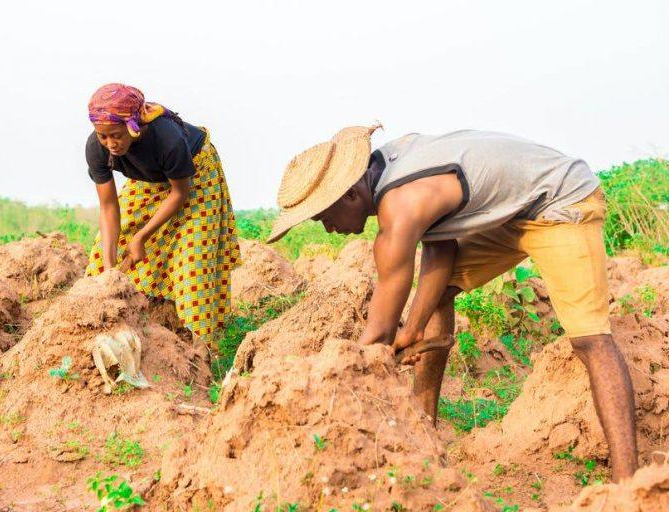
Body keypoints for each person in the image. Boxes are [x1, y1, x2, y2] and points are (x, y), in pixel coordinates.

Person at [268, 126, 637, 481]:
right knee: (437, 294)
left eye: (324, 217)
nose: (328, 228)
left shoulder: (402, 204)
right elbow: (441, 245)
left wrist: (338, 384)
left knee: (591, 340)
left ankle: (628, 485)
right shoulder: (390, 165)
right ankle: (425, 434)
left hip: (560, 201)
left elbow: (378, 334)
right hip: (513, 211)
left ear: (350, 195)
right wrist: (414, 329)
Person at [85, 83, 240, 345]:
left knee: (193, 266)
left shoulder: (167, 139)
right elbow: (109, 206)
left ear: (134, 127)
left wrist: (141, 237)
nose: (110, 144)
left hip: (195, 179)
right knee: (101, 261)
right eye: (103, 136)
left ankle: (203, 352)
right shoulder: (96, 148)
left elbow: (180, 192)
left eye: (116, 135)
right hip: (150, 181)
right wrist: (110, 271)